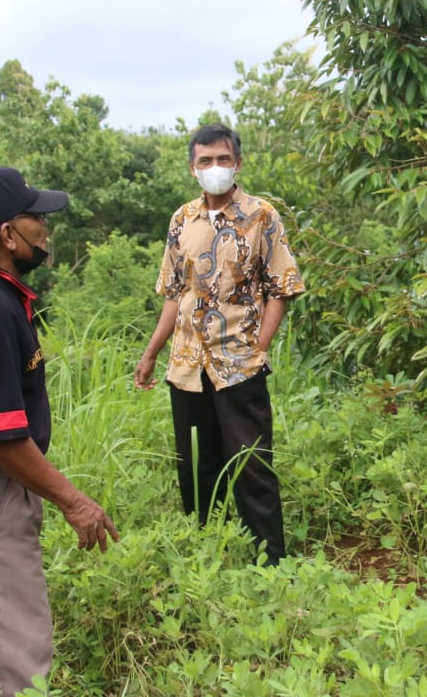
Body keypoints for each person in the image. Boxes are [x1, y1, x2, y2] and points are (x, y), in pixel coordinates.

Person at [0, 166, 119, 696]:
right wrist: (75, 502)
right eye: (36, 219)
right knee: (13, 660)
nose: (45, 230)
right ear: (8, 235)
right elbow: (1, 435)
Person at [134, 124, 305, 565]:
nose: (215, 168)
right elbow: (176, 293)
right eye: (205, 161)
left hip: (239, 365)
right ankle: (205, 556)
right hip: (188, 365)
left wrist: (257, 349)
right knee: (196, 466)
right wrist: (152, 353)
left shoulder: (261, 216)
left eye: (223, 159)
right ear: (193, 168)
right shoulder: (182, 219)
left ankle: (271, 564)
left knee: (252, 465)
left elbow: (281, 289)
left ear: (238, 163)